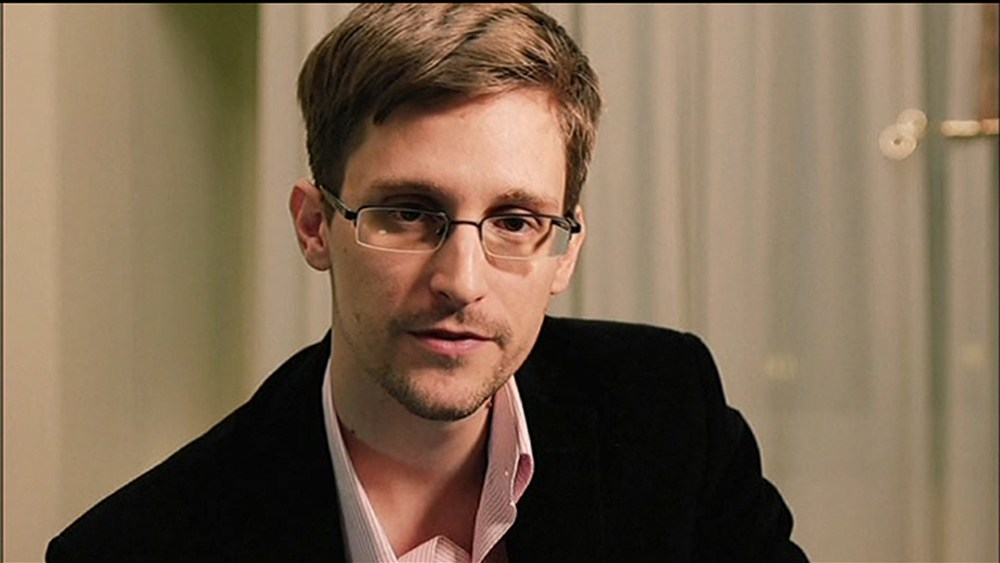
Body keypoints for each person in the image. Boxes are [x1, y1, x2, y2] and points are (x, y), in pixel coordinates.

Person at [46, 3, 808, 562]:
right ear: (315, 226)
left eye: (515, 220)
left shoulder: (670, 414)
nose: (461, 281)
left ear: (565, 250)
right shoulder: (140, 546)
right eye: (410, 213)